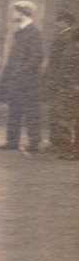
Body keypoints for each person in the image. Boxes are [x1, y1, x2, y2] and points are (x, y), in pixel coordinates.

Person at [1, 0, 46, 153]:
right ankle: (12, 141)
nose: (13, 15)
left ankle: (34, 143)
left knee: (31, 112)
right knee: (14, 110)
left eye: (15, 12)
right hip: (17, 79)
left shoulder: (34, 33)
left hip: (29, 81)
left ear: (22, 13)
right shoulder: (20, 32)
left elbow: (36, 57)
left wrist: (20, 71)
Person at [45, 10, 78, 160]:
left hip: (69, 85)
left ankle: (67, 149)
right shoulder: (68, 42)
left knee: (68, 117)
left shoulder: (71, 43)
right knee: (62, 115)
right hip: (63, 83)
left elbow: (69, 66)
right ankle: (62, 146)